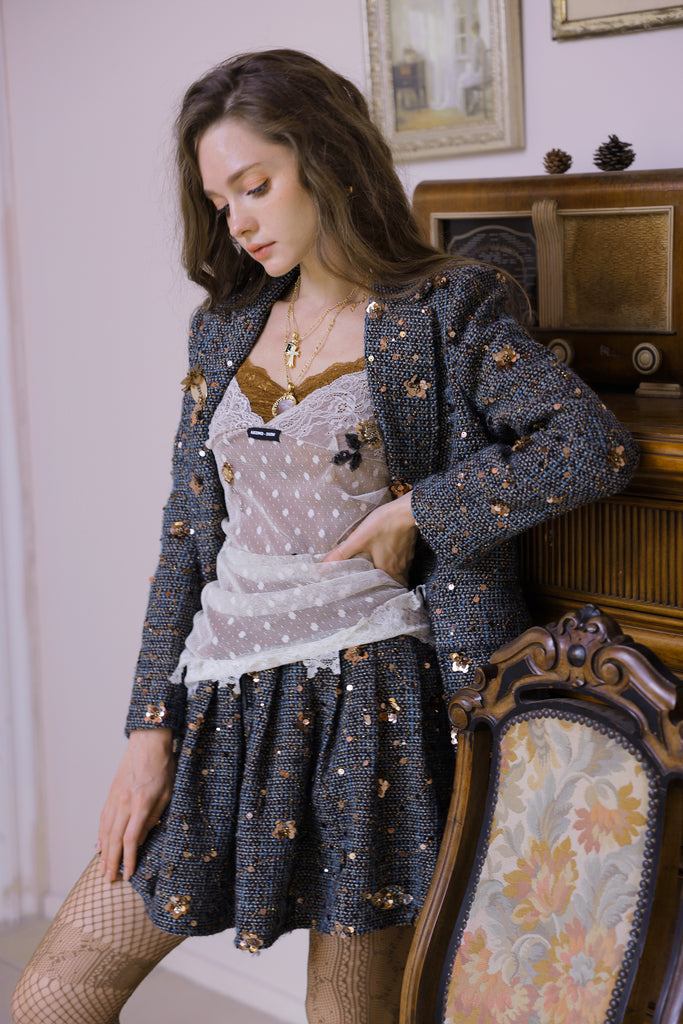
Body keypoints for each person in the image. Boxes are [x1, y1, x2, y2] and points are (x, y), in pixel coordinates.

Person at [12, 48, 638, 1024]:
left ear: (327, 161)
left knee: (345, 1016)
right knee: (58, 990)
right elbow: (185, 539)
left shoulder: (444, 309)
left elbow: (590, 447)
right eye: (219, 201)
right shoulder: (224, 328)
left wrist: (417, 512)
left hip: (373, 702)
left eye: (254, 186)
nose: (237, 220)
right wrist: (146, 731)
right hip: (223, 693)